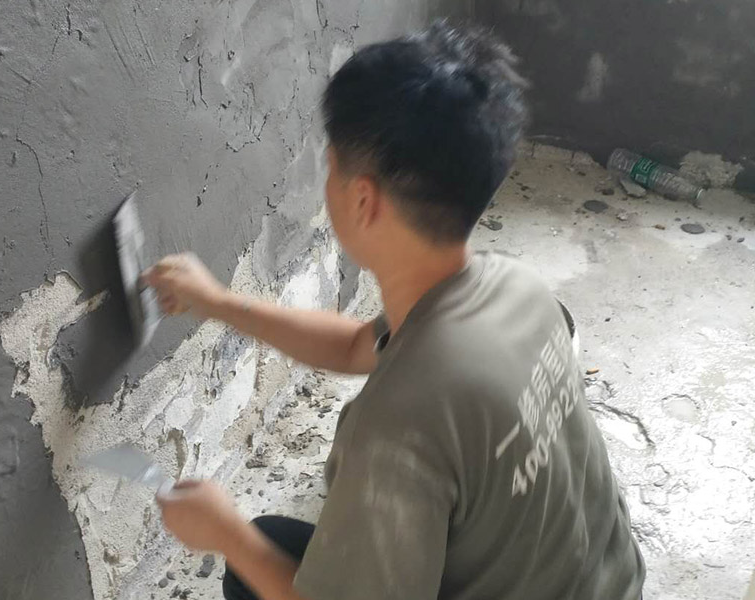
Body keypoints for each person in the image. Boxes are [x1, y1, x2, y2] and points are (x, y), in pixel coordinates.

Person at [144, 21, 646, 600]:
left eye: (331, 166)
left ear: (362, 199)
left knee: (252, 561)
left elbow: (404, 410)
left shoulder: (398, 428)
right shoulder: (518, 289)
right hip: (609, 583)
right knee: (275, 544)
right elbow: (356, 344)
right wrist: (218, 302)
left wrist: (224, 534)